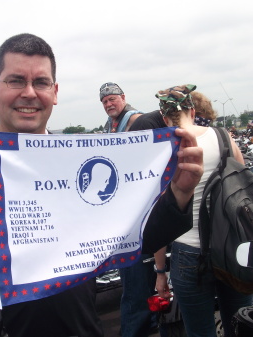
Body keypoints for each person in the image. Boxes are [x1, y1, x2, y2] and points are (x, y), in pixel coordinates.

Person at [0, 34, 203, 337]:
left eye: (40, 82)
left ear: (54, 92)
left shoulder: (82, 159)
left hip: (79, 328)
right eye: (15, 81)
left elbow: (136, 239)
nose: (29, 93)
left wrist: (180, 192)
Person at [130, 85, 252, 337]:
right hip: (231, 248)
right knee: (241, 327)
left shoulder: (164, 152)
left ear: (164, 119)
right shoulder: (223, 137)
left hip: (187, 253)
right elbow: (245, 191)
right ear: (193, 111)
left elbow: (160, 219)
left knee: (199, 331)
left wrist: (160, 272)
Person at [99, 82, 156, 336]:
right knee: (136, 277)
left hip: (138, 211)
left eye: (112, 99)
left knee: (134, 278)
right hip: (124, 207)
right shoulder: (110, 125)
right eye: (104, 101)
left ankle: (133, 329)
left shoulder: (136, 120)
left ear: (123, 98)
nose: (109, 104)